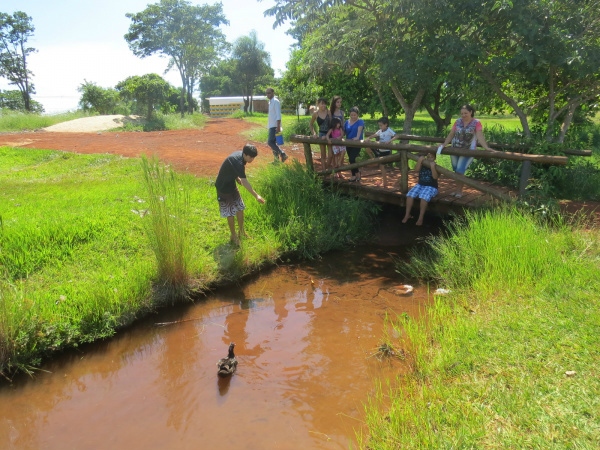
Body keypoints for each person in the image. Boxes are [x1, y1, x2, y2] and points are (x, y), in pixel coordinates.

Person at [439, 104, 494, 197]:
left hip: (468, 151)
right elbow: (451, 134)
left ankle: (460, 191)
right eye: (461, 113)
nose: (463, 115)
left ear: (471, 112)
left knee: (460, 170)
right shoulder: (458, 121)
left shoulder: (476, 122)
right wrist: (444, 144)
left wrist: (486, 148)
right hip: (454, 149)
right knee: (456, 171)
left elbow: (480, 136)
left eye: (465, 113)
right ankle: (457, 190)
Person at [215, 144, 265, 246]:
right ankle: (233, 236)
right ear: (245, 154)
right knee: (230, 213)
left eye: (253, 157)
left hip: (232, 185)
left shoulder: (241, 157)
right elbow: (245, 182)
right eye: (251, 157)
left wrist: (236, 178)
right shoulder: (238, 162)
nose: (252, 159)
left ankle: (241, 232)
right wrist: (256, 196)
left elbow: (230, 167)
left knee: (240, 207)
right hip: (223, 187)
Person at [402, 153, 439, 226]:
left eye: (431, 157)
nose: (429, 159)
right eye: (428, 157)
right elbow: (416, 170)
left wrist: (432, 167)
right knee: (410, 195)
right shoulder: (423, 164)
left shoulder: (436, 166)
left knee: (423, 197)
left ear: (434, 158)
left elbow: (435, 177)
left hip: (431, 186)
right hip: (420, 184)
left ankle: (420, 217)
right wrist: (419, 161)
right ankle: (407, 214)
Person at [265, 87, 288, 163]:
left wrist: (278, 126)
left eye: (269, 93)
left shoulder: (276, 101)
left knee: (270, 142)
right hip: (271, 125)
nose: (268, 94)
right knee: (273, 143)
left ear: (273, 93)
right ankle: (276, 160)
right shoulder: (270, 102)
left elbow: (278, 115)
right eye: (266, 93)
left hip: (275, 125)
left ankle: (283, 154)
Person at [309, 97, 332, 169]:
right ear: (318, 104)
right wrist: (314, 133)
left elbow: (332, 125)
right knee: (323, 154)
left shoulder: (328, 112)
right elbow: (311, 124)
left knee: (331, 155)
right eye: (322, 104)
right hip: (321, 134)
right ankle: (324, 170)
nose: (324, 106)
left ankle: (327, 168)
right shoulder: (315, 114)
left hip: (329, 134)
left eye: (325, 104)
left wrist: (327, 135)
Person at [343, 106, 365, 181]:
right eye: (351, 115)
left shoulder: (360, 121)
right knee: (350, 159)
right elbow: (344, 131)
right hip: (348, 143)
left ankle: (356, 173)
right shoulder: (347, 122)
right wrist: (339, 137)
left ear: (357, 114)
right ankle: (354, 174)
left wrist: (357, 137)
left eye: (354, 115)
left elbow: (359, 130)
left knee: (352, 158)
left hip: (357, 143)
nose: (353, 116)